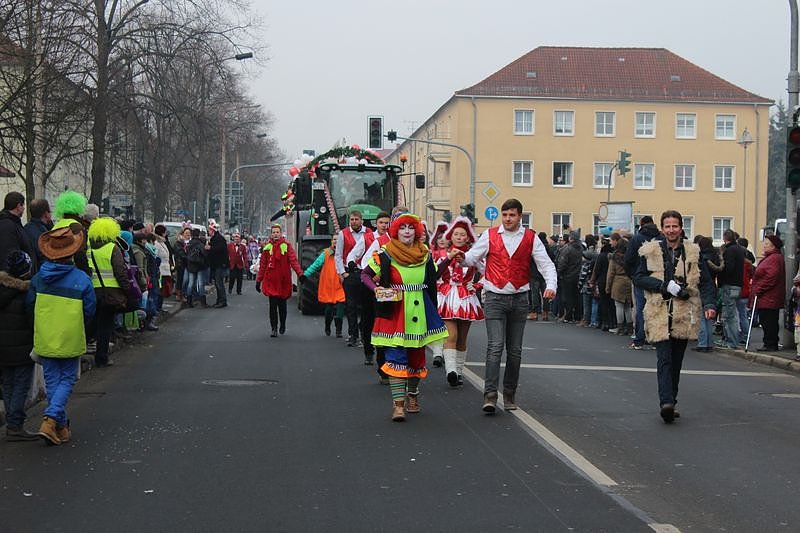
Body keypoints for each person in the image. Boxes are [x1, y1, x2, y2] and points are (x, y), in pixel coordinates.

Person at [455, 198, 557, 413]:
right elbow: (472, 258)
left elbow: (545, 263)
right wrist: (461, 257)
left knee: (515, 350)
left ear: (520, 216)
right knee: (495, 347)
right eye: (505, 215)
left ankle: (509, 393)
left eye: (512, 215)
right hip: (495, 297)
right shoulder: (490, 235)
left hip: (520, 298)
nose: (508, 219)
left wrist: (551, 285)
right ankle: (490, 395)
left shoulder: (530, 238)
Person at [360, 213, 449, 421]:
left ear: (417, 231)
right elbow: (365, 275)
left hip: (419, 310)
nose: (407, 231)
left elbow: (433, 276)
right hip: (395, 310)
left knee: (417, 358)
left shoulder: (425, 253)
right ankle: (398, 405)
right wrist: (377, 290)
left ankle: (413, 396)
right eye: (402, 228)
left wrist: (449, 259)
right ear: (396, 231)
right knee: (396, 356)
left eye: (411, 228)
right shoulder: (386, 254)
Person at [631, 210, 716, 423]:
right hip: (659, 311)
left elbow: (705, 281)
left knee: (676, 360)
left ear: (681, 228)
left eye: (675, 226)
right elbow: (638, 277)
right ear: (662, 228)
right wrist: (661, 285)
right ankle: (666, 403)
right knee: (664, 359)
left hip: (683, 312)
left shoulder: (692, 252)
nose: (671, 230)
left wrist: (710, 304)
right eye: (667, 226)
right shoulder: (651, 250)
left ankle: (672, 401)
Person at [27, 223, 96, 445]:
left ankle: (62, 426)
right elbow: (89, 309)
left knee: (52, 381)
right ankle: (50, 420)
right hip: (70, 335)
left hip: (45, 335)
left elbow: (29, 307)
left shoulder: (38, 279)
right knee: (66, 379)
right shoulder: (82, 279)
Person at [437, 216, 484, 387]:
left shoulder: (473, 257)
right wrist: (439, 284)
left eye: (462, 234)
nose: (458, 237)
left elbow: (490, 272)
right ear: (451, 236)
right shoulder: (443, 256)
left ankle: (459, 371)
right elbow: (433, 272)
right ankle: (451, 371)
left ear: (467, 237)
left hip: (466, 299)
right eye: (455, 233)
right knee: (451, 335)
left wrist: (477, 285)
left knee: (462, 339)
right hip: (448, 298)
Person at [0, 250, 37, 441]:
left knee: (8, 383)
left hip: (3, 348)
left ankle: (11, 421)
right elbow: (32, 320)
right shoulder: (26, 293)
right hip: (22, 347)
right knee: (22, 384)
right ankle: (15, 424)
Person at [87, 217, 132, 367]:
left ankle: (88, 345)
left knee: (93, 321)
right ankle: (102, 357)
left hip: (92, 291)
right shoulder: (112, 248)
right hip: (110, 292)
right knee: (106, 326)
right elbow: (120, 272)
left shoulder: (88, 248)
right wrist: (127, 290)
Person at [256, 224, 305, 337]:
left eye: (277, 232)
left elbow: (293, 261)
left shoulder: (286, 246)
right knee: (272, 306)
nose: (275, 234)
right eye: (273, 232)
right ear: (271, 234)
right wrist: (259, 280)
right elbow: (263, 265)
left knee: (282, 306)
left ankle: (282, 324)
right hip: (271, 281)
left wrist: (300, 274)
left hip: (283, 282)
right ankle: (274, 328)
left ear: (280, 233)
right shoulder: (267, 248)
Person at [335, 210, 374, 347]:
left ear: (362, 220)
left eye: (357, 219)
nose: (354, 222)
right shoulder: (343, 234)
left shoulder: (369, 233)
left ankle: (364, 332)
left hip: (366, 273)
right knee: (350, 305)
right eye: (352, 219)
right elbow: (338, 255)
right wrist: (342, 273)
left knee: (365, 305)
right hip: (350, 273)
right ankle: (353, 334)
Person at [624, 215, 660, 349]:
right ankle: (656, 338)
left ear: (641, 224)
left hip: (639, 278)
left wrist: (633, 276)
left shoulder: (636, 238)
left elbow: (628, 260)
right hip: (657, 278)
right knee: (656, 308)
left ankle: (639, 339)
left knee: (640, 309)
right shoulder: (660, 238)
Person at [304, 233, 346, 338]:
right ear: (331, 241)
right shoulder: (326, 254)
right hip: (328, 287)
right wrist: (304, 275)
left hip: (341, 286)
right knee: (328, 311)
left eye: (338, 239)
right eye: (334, 239)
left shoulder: (345, 254)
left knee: (340, 310)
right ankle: (327, 325)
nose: (336, 241)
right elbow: (315, 265)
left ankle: (338, 330)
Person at [750, 234, 785, 352]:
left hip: (769, 297)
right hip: (767, 296)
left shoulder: (774, 258)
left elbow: (772, 276)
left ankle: (770, 344)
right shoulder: (771, 257)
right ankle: (769, 343)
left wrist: (759, 289)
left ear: (773, 246)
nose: (764, 246)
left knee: (769, 321)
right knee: (766, 321)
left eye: (767, 244)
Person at [715, 229, 745, 349]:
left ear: (725, 238)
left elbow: (728, 268)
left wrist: (721, 278)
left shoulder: (729, 251)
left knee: (728, 314)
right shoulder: (740, 250)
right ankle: (733, 340)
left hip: (729, 284)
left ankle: (730, 341)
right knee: (734, 314)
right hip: (737, 284)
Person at [693, 237, 720, 353]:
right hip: (712, 286)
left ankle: (702, 343)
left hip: (701, 287)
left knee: (701, 317)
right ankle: (709, 343)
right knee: (709, 317)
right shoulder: (716, 256)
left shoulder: (701, 258)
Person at [0, 191, 37, 275]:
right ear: (18, 206)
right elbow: (9, 256)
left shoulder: (14, 223)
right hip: (14, 281)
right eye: (23, 205)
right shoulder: (7, 226)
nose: (24, 208)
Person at [606, 239, 632, 335]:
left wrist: (608, 287)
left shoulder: (613, 258)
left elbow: (610, 274)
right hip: (628, 280)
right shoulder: (629, 257)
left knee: (619, 306)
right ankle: (630, 328)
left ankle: (620, 328)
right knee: (628, 306)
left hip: (618, 281)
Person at [206, 219, 229, 308]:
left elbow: (219, 249)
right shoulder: (215, 238)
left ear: (212, 230)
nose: (208, 232)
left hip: (220, 265)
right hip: (216, 265)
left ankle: (222, 301)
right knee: (217, 283)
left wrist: (210, 248)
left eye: (209, 230)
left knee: (219, 283)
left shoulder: (219, 239)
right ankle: (219, 300)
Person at [183, 228, 208, 308]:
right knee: (200, 284)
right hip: (200, 266)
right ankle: (203, 302)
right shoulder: (200, 244)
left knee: (190, 283)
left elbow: (186, 254)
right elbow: (204, 254)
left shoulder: (189, 244)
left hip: (190, 265)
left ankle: (189, 301)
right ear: (199, 235)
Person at [24, 198, 53, 265]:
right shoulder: (43, 234)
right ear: (45, 214)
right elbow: (45, 256)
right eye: (50, 212)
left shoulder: (25, 228)